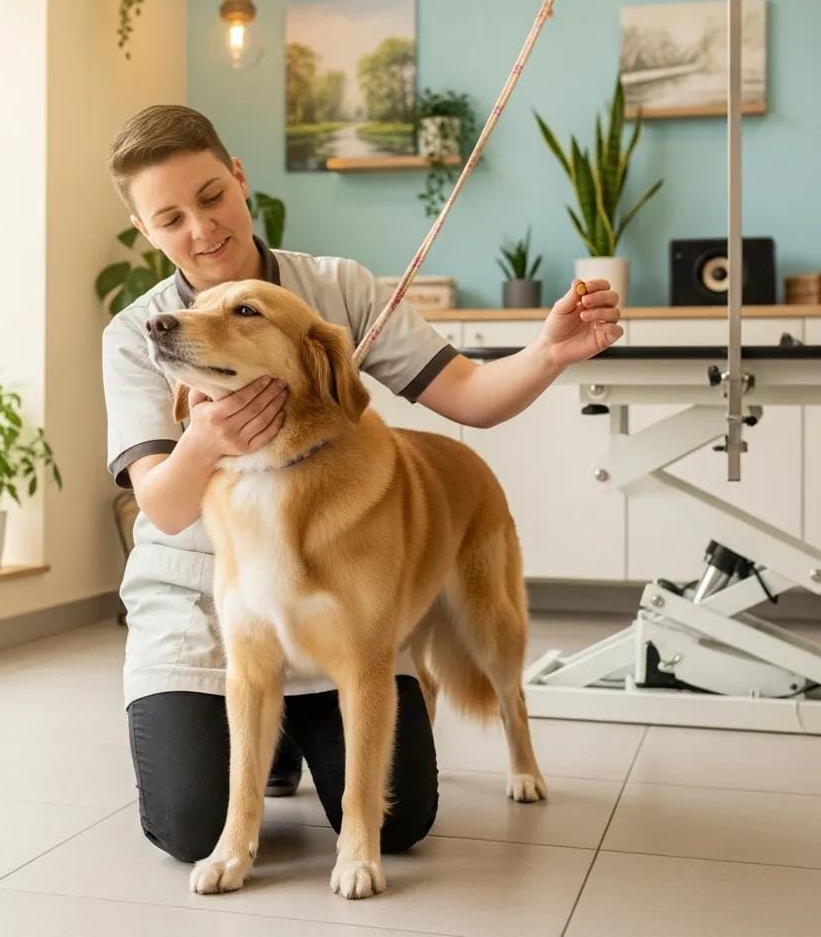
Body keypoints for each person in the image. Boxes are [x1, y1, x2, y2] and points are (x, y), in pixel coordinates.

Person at [101, 104, 622, 865]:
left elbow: (469, 395)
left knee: (402, 819)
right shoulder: (142, 333)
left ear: (240, 178)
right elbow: (164, 504)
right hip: (198, 584)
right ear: (148, 233)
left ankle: (300, 733)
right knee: (187, 828)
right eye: (171, 218)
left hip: (339, 572)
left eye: (212, 197)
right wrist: (208, 439)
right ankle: (269, 738)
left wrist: (548, 353)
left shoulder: (333, 290)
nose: (202, 229)